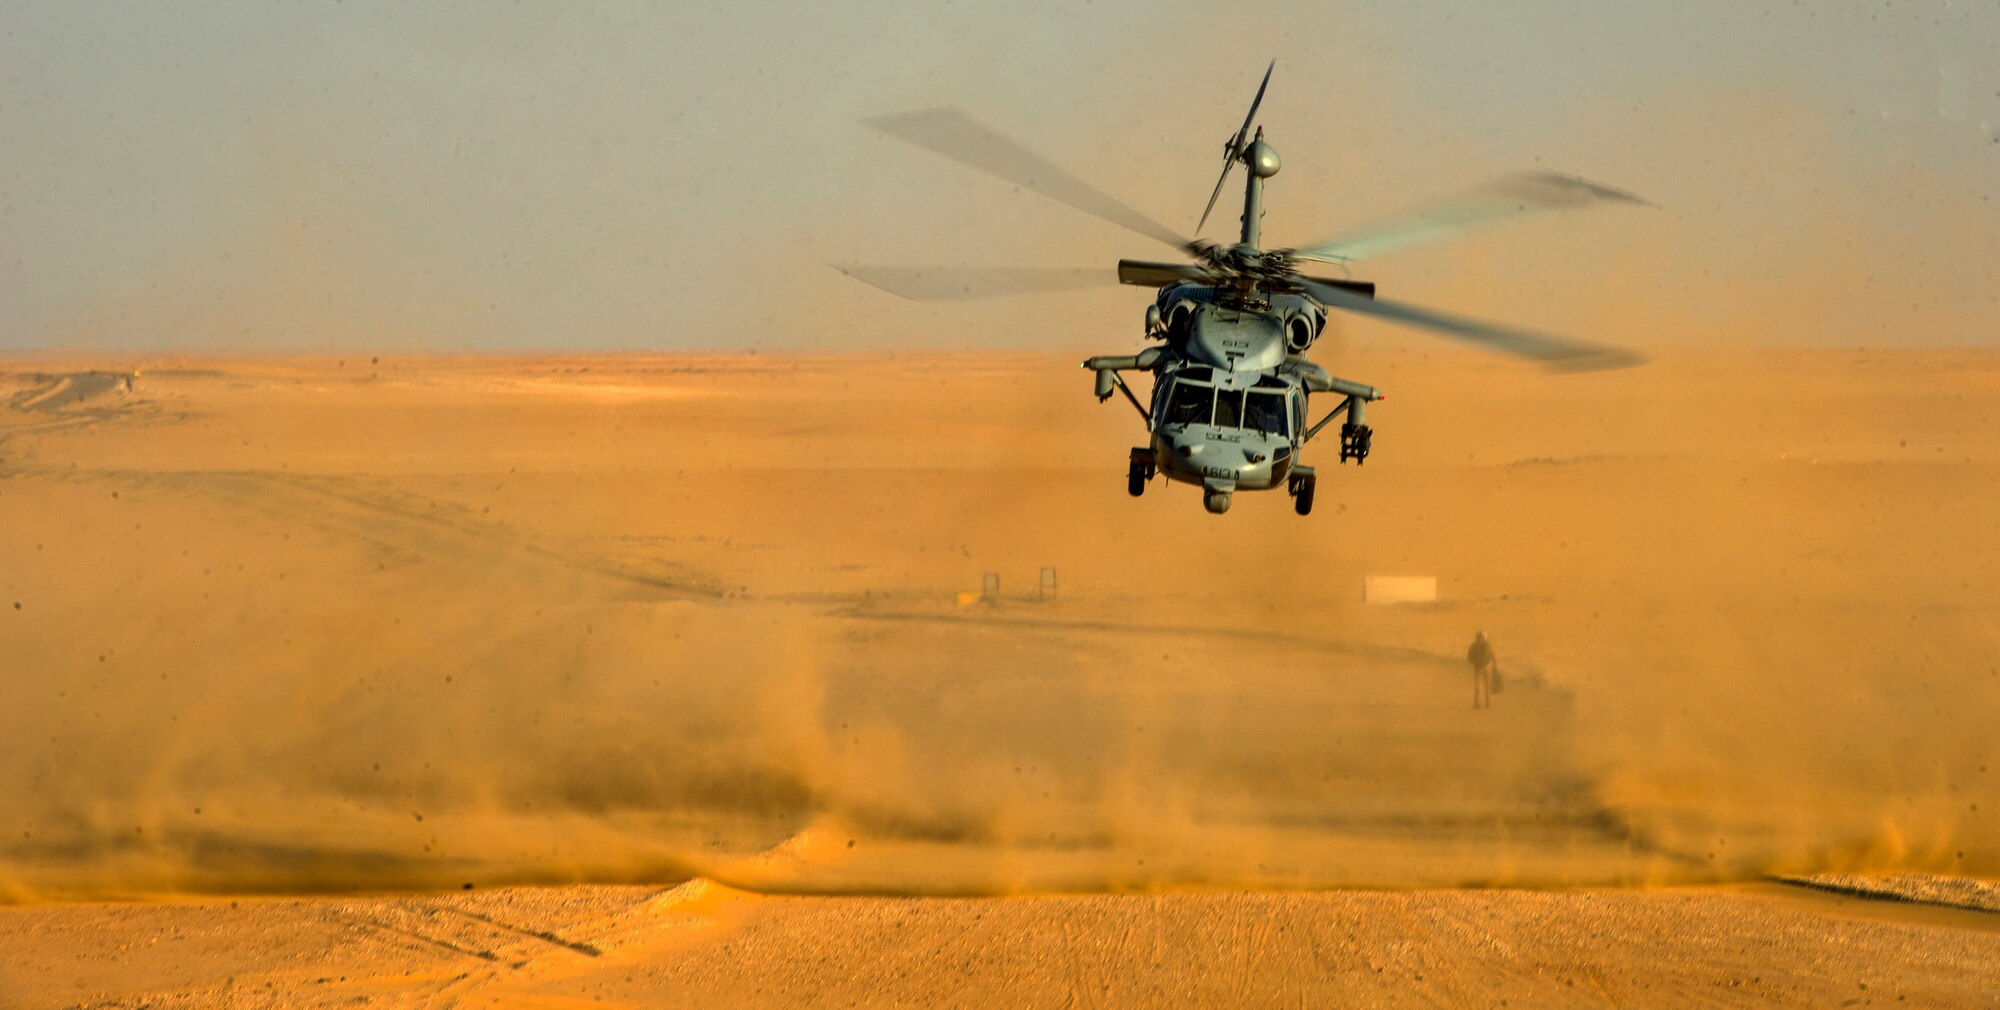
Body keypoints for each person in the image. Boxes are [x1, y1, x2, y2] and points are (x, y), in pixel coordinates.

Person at [1467, 631, 1497, 709]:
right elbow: (1493, 656)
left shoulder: (1473, 645)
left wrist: (1475, 663)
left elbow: (1469, 657)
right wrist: (1495, 666)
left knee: (1478, 685)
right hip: (1487, 666)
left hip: (1477, 667)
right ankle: (1488, 703)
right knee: (1487, 685)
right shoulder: (1487, 644)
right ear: (1484, 636)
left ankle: (1477, 703)